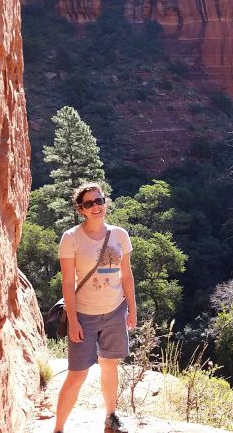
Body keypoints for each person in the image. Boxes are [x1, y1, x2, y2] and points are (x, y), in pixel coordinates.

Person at [53, 182, 137, 433]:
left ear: (105, 202)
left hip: (114, 311)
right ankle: (58, 429)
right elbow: (68, 282)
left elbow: (126, 275)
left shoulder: (120, 234)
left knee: (110, 365)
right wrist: (74, 321)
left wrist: (132, 308)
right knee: (77, 374)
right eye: (89, 203)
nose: (96, 207)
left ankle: (111, 417)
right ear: (81, 209)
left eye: (99, 201)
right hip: (84, 314)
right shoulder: (71, 238)